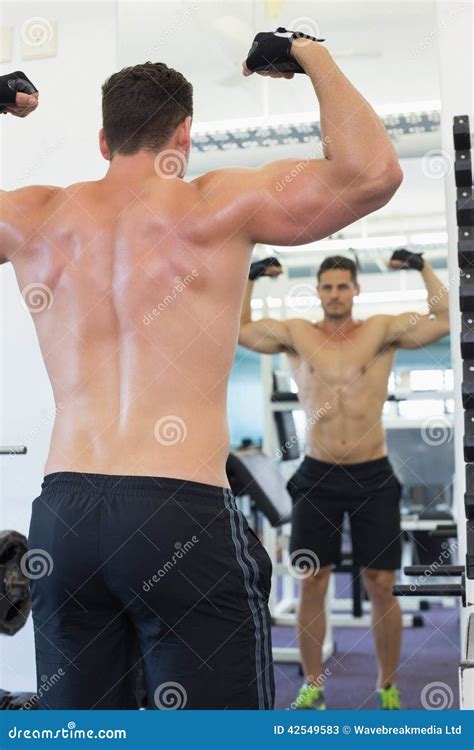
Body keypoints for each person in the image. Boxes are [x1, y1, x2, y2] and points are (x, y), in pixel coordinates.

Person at [0, 31, 402, 709]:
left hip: (63, 521)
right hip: (176, 512)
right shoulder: (218, 203)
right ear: (184, 133)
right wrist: (310, 55)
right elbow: (373, 174)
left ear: (104, 141)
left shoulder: (35, 216)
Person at [239, 252, 450, 709]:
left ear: (356, 290)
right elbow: (241, 330)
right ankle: (312, 684)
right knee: (313, 579)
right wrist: (250, 277)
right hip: (317, 474)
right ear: (318, 292)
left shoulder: (381, 331)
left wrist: (420, 267)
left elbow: (445, 318)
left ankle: (387, 685)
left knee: (380, 581)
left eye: (343, 286)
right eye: (327, 287)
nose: (335, 294)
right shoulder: (298, 334)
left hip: (372, 472)